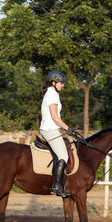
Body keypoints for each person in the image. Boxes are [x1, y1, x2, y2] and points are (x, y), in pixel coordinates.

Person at [40, 70, 73, 198]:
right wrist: (67, 128)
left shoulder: (52, 94)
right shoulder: (52, 95)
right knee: (63, 156)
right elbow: (54, 117)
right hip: (50, 129)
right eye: (61, 83)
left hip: (51, 128)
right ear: (54, 83)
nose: (62, 85)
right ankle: (57, 186)